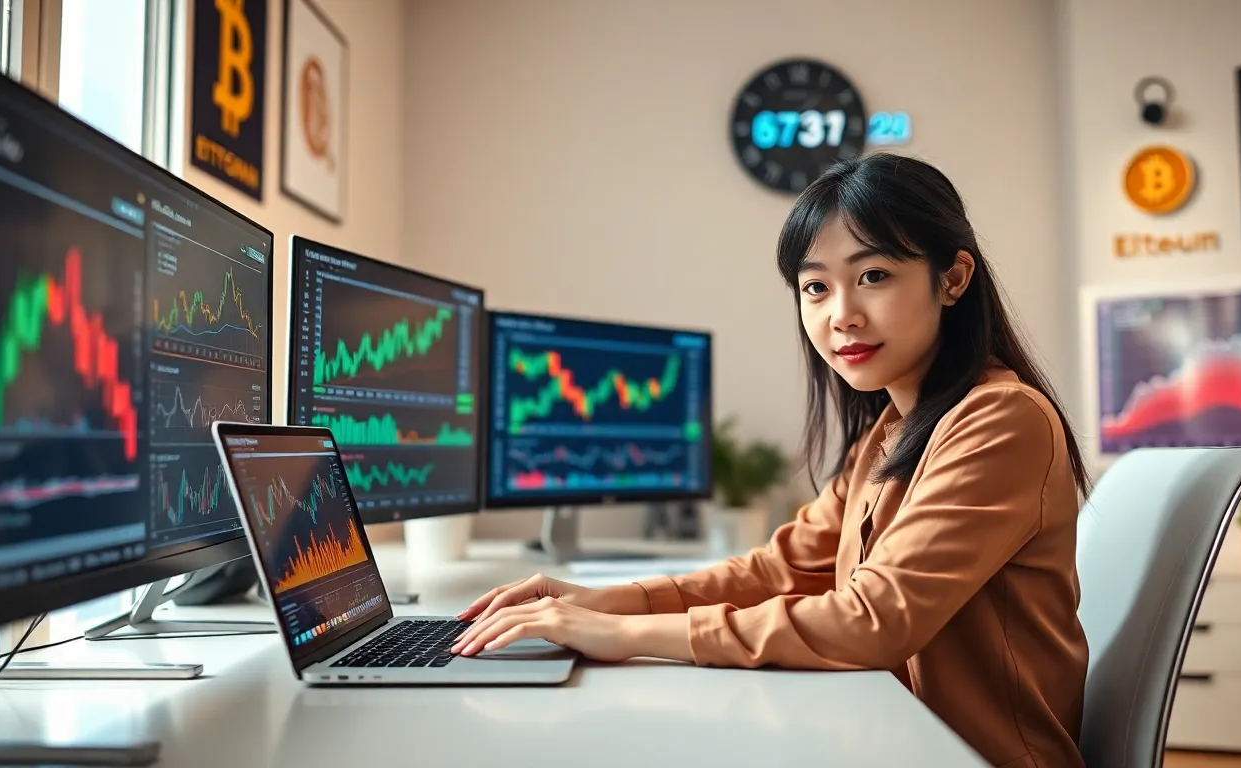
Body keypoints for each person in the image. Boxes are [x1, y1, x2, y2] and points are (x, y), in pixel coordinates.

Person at [451, 153, 1091, 767]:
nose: (842, 315)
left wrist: (621, 636)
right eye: (816, 287)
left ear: (953, 278)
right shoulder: (889, 432)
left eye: (873, 276)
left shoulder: (1002, 419)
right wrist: (602, 602)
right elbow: (781, 570)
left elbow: (873, 620)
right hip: (894, 737)